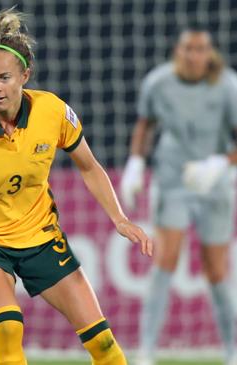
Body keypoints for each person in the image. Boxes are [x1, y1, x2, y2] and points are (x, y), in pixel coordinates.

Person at [0, 7, 152, 365]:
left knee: (105, 346)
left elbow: (90, 167)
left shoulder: (53, 112)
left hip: (40, 237)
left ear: (25, 75)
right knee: (8, 327)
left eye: (4, 77)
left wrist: (120, 219)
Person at [121, 25, 237, 365]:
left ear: (209, 53)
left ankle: (232, 350)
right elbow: (145, 125)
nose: (194, 55)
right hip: (172, 180)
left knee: (216, 270)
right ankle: (146, 352)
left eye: (201, 49)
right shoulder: (158, 82)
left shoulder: (228, 85)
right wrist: (135, 163)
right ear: (179, 51)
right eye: (188, 48)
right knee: (164, 261)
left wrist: (220, 163)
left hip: (213, 184)